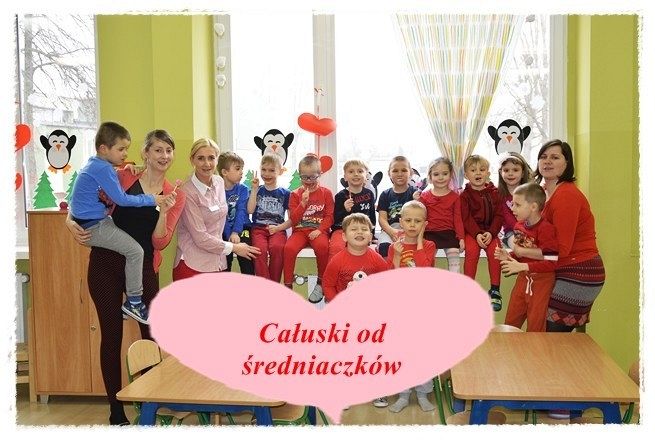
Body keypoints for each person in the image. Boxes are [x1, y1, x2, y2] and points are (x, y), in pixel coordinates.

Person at [66, 128, 184, 425]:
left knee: (151, 337)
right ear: (146, 153)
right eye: (158, 150)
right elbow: (82, 194)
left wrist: (162, 209)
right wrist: (69, 220)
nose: (164, 156)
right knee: (111, 337)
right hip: (105, 263)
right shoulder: (122, 176)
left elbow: (160, 243)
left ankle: (150, 404)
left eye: (169, 150)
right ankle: (116, 410)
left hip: (142, 267)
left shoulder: (174, 194)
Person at [69, 122, 172, 324]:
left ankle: (132, 301)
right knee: (135, 251)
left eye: (168, 150)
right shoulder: (110, 171)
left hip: (98, 224)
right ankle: (134, 301)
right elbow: (122, 199)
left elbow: (79, 196)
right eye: (121, 149)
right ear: (103, 149)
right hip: (96, 231)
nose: (125, 154)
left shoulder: (97, 165)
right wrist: (152, 199)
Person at [530, 139, 606, 332]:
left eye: (555, 157)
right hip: (566, 269)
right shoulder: (545, 194)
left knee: (553, 337)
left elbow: (560, 249)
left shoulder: (566, 195)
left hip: (579, 271)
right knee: (556, 338)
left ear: (567, 163)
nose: (547, 161)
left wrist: (522, 251)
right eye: (543, 157)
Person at [173, 138, 260, 281]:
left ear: (217, 159)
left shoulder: (219, 182)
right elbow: (201, 238)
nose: (207, 164)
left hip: (218, 263)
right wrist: (235, 248)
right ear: (192, 160)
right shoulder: (187, 192)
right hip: (193, 265)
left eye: (211, 158)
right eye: (200, 158)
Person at [385, 200, 437, 413]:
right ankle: (403, 395)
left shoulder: (429, 246)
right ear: (401, 222)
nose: (413, 225)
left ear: (425, 224)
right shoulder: (394, 247)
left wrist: (420, 241)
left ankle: (423, 394)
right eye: (408, 220)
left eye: (418, 221)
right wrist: (397, 256)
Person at [494, 183, 559, 332]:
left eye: (517, 205)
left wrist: (523, 266)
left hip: (542, 283)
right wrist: (508, 256)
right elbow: (521, 255)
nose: (512, 208)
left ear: (533, 207)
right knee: (510, 323)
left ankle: (534, 349)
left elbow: (552, 262)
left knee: (536, 327)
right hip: (523, 280)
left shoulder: (546, 229)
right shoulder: (519, 227)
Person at [283, 154, 334, 303]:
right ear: (299, 175)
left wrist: (320, 230)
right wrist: (303, 204)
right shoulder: (295, 194)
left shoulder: (326, 193)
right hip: (300, 231)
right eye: (304, 177)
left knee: (323, 247)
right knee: (289, 248)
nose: (308, 181)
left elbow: (330, 217)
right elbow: (293, 220)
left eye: (313, 177)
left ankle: (321, 282)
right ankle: (288, 285)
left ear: (320, 174)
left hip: (318, 231)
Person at [460, 155, 504, 311]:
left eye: (482, 169)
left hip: (491, 231)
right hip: (473, 232)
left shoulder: (496, 193)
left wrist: (491, 233)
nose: (478, 173)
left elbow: (499, 215)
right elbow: (466, 218)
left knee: (495, 252)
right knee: (471, 251)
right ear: (466, 175)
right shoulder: (464, 195)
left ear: (488, 173)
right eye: (473, 170)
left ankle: (495, 290)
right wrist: (477, 234)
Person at [247, 154, 291, 282]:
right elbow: (250, 210)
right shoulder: (257, 190)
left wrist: (279, 228)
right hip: (258, 229)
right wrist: (254, 190)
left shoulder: (286, 193)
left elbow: (292, 219)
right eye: (264, 169)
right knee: (259, 250)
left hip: (278, 229)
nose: (266, 174)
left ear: (280, 171)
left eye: (272, 170)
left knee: (277, 248)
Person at [416, 157, 464, 272]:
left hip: (449, 234)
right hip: (430, 234)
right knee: (426, 262)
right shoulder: (424, 196)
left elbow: (458, 219)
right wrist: (417, 201)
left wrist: (461, 238)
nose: (441, 177)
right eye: (436, 174)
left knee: (454, 259)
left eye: (445, 174)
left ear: (451, 175)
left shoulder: (455, 197)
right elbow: (420, 217)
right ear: (430, 177)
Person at [329, 159, 377, 259]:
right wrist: (345, 210)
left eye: (360, 171)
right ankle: (333, 268)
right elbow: (335, 220)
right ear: (345, 177)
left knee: (366, 251)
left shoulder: (369, 194)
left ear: (366, 176)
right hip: (342, 230)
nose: (356, 174)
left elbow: (372, 215)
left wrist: (372, 234)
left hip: (362, 229)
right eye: (351, 172)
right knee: (336, 247)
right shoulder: (340, 196)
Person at [218, 151, 255, 276]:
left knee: (247, 255)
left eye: (242, 169)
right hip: (223, 229)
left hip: (242, 227)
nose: (241, 172)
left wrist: (235, 232)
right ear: (224, 172)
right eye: (238, 169)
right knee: (224, 257)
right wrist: (229, 234)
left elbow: (241, 211)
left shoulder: (243, 189)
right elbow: (221, 216)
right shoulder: (217, 191)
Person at [376, 156, 416, 258]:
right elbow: (382, 219)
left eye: (404, 170)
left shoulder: (415, 193)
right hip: (390, 229)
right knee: (384, 247)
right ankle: (387, 268)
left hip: (411, 229)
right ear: (389, 173)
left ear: (411, 173)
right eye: (395, 171)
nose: (399, 174)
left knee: (410, 252)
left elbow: (420, 216)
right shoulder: (385, 194)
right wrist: (391, 231)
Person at [497, 152, 533, 247]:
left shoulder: (529, 192)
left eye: (515, 170)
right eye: (506, 170)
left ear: (523, 173)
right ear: (501, 173)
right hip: (511, 232)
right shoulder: (499, 195)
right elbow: (506, 216)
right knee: (519, 245)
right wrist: (521, 230)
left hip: (531, 229)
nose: (510, 173)